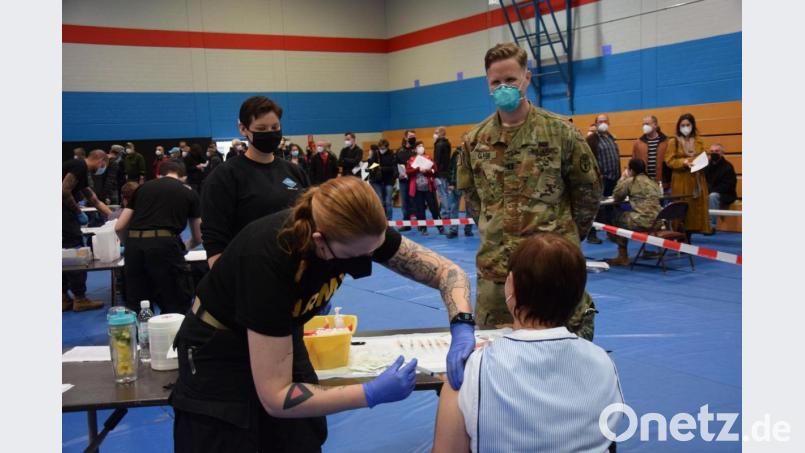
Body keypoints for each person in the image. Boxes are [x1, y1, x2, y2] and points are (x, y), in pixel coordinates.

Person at [170, 177, 476, 452]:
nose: (370, 258)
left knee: (301, 438)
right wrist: (370, 393)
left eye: (375, 249)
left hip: (281, 332)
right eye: (359, 254)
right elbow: (277, 398)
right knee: (231, 439)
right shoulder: (268, 259)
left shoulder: (359, 234)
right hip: (219, 350)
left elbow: (448, 272)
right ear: (320, 241)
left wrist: (462, 326)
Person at [457, 42, 601, 337]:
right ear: (487, 84)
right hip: (498, 273)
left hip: (553, 270)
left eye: (511, 79)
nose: (503, 87)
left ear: (527, 78)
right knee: (497, 357)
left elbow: (588, 193)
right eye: (496, 82)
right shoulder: (474, 141)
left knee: (565, 358)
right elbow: (473, 199)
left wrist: (567, 238)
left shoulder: (561, 133)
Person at [432, 233, 623, 453]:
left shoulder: (471, 372)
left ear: (510, 285)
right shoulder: (603, 363)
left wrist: (469, 371)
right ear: (579, 294)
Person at [202, 96, 310, 267]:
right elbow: (214, 237)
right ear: (243, 129)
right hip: (248, 269)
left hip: (293, 267)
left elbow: (308, 220)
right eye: (261, 128)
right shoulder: (225, 176)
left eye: (275, 127)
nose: (270, 133)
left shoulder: (295, 172)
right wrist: (224, 279)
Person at [115, 160, 202, 314]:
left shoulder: (141, 189)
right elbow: (198, 236)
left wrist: (129, 245)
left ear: (159, 174)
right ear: (183, 177)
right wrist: (184, 248)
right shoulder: (189, 192)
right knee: (175, 301)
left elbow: (120, 226)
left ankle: (140, 337)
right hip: (165, 245)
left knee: (138, 304)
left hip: (134, 248)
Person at [62, 150, 114, 312]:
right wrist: (79, 212)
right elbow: (64, 191)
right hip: (65, 217)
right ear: (100, 160)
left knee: (62, 254)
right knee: (76, 253)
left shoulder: (80, 170)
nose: (102, 168)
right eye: (104, 165)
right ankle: (80, 298)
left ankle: (62, 297)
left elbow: (94, 200)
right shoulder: (79, 166)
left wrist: (114, 217)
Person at [605, 158, 661, 266]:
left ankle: (622, 256)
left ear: (631, 170)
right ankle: (645, 250)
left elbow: (617, 197)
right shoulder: (652, 181)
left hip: (642, 222)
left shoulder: (630, 181)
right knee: (628, 216)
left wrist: (622, 179)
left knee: (617, 218)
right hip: (657, 221)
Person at [665, 113, 712, 237]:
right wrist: (683, 162)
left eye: (688, 124)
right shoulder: (673, 141)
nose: (685, 127)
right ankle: (680, 235)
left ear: (692, 125)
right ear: (678, 127)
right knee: (681, 206)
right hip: (681, 179)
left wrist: (705, 159)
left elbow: (707, 155)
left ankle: (690, 234)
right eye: (682, 125)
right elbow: (669, 160)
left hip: (697, 178)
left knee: (695, 208)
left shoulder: (699, 140)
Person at [585, 114, 620, 244]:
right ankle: (591, 234)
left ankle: (611, 233)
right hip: (600, 179)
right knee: (597, 208)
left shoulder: (611, 137)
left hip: (613, 178)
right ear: (596, 124)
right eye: (600, 121)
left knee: (611, 207)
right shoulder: (592, 139)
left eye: (605, 121)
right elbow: (587, 159)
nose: (603, 123)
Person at [406, 141, 443, 236]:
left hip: (428, 188)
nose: (421, 147)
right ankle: (423, 228)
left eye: (422, 146)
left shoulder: (429, 158)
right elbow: (408, 171)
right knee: (420, 210)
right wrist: (417, 169)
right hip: (417, 189)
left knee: (434, 208)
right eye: (419, 146)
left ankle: (440, 227)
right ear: (415, 149)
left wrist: (427, 170)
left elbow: (435, 170)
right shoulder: (411, 159)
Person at [704, 143, 737, 231]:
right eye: (711, 151)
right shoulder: (706, 166)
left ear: (722, 153)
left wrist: (710, 191)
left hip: (725, 194)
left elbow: (728, 186)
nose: (714, 153)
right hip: (709, 192)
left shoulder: (728, 167)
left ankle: (711, 225)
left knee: (713, 196)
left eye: (717, 151)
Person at [445, 144, 473, 239]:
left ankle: (468, 229)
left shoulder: (473, 153)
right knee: (453, 208)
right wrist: (451, 183)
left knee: (470, 209)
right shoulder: (456, 153)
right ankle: (453, 230)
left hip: (469, 186)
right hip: (456, 185)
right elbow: (451, 168)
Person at [632, 115, 668, 187]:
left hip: (661, 183)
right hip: (644, 184)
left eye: (647, 124)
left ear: (655, 125)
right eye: (643, 124)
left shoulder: (666, 142)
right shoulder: (638, 143)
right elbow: (634, 163)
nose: (644, 126)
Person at [368, 139, 397, 220]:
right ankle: (382, 219)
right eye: (380, 148)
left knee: (388, 201)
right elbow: (371, 165)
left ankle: (389, 221)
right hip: (377, 180)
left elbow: (392, 167)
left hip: (389, 180)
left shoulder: (392, 154)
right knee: (380, 201)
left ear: (387, 147)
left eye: (383, 148)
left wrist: (381, 168)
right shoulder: (376, 153)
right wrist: (370, 161)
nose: (382, 150)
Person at [396, 130, 417, 231]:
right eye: (410, 136)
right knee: (405, 202)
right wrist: (398, 174)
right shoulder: (399, 151)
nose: (412, 138)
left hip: (414, 179)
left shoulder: (416, 150)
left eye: (414, 136)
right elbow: (395, 165)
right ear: (405, 138)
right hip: (403, 179)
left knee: (416, 201)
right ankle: (406, 223)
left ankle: (422, 225)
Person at [433, 127, 452, 232]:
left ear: (440, 133)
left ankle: (445, 213)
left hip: (440, 172)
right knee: (445, 193)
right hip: (445, 171)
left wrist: (435, 172)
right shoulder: (447, 143)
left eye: (435, 133)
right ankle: (446, 211)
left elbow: (437, 160)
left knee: (442, 193)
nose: (434, 135)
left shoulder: (439, 144)